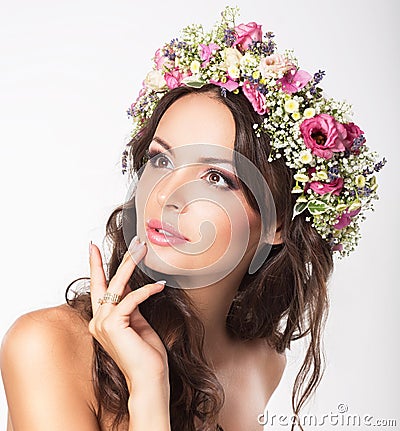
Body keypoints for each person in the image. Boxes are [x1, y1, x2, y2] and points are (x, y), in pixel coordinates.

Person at [0, 7, 385, 431]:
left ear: (277, 223)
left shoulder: (263, 362)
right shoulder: (47, 347)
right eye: (161, 160)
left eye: (216, 177)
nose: (164, 195)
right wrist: (147, 389)